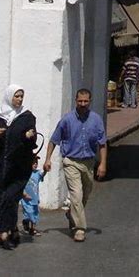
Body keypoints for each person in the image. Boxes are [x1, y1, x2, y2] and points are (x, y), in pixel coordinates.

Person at [43, 88, 107, 242]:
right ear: (76, 101)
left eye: (86, 101)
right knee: (76, 195)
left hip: (89, 162)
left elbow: (103, 143)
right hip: (71, 161)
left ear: (90, 101)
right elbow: (54, 140)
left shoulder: (96, 120)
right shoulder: (67, 120)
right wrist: (47, 159)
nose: (83, 104)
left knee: (86, 193)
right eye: (80, 101)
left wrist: (103, 164)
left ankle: (72, 212)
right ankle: (79, 228)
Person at [0, 84, 37, 250]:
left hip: (20, 167)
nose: (19, 99)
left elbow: (32, 140)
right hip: (0, 167)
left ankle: (4, 234)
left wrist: (28, 136)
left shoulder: (27, 117)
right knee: (0, 198)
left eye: (21, 96)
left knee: (10, 196)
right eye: (16, 96)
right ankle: (11, 228)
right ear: (9, 97)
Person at [21, 156, 47, 236]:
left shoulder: (37, 173)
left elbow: (42, 175)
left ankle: (31, 228)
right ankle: (30, 226)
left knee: (34, 214)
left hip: (35, 198)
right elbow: (20, 185)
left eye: (36, 163)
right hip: (26, 199)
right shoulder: (24, 174)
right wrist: (24, 194)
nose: (35, 164)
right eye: (33, 162)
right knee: (30, 213)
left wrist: (45, 170)